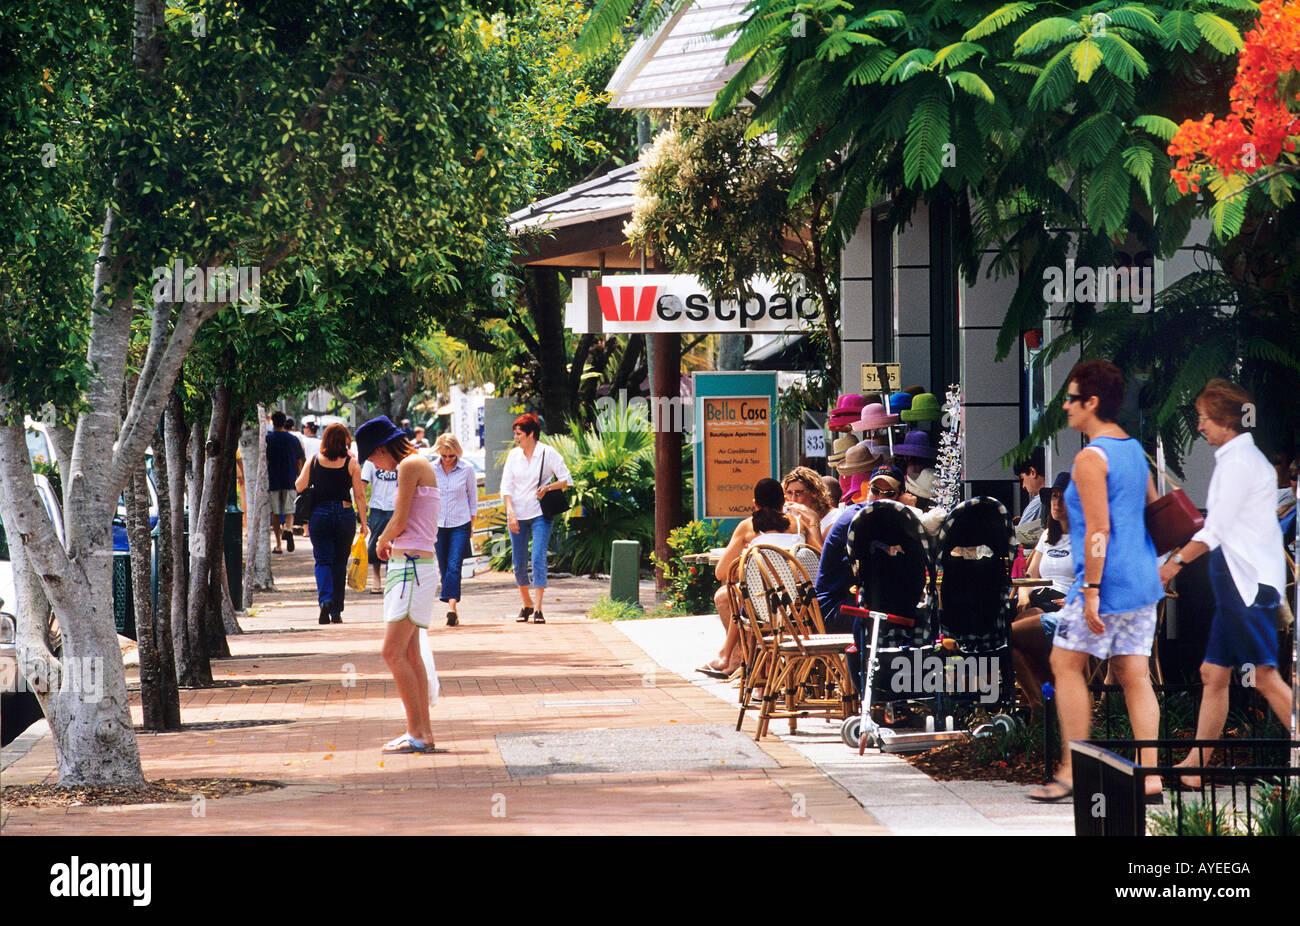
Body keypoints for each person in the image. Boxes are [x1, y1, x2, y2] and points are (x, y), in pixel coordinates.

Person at [1030, 360, 1164, 803]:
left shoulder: (1091, 457)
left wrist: (1090, 591)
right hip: (1142, 580)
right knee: (1133, 674)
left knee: (1065, 665)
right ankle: (1151, 778)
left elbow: (1099, 529)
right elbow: (1152, 507)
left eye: (1071, 398)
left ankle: (1072, 770)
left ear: (1092, 402)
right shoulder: (1133, 450)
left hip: (1103, 583)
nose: (1065, 406)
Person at [1157, 379, 1294, 788]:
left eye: (1203, 419)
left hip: (1246, 588)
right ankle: (1195, 768)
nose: (1199, 427)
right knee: (1212, 673)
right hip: (1241, 586)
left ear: (1224, 421)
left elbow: (1215, 530)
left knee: (1266, 677)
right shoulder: (1239, 460)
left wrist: (1174, 564)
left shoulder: (1238, 464)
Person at [358, 416, 442, 755]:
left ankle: (418, 732)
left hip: (412, 568)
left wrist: (379, 540)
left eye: (372, 458)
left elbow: (400, 518)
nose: (375, 466)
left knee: (392, 651)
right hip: (412, 565)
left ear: (380, 449)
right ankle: (421, 731)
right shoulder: (415, 463)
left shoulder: (409, 465)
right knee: (409, 652)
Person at [697, 478, 815, 678]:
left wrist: (747, 559)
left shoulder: (748, 527)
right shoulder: (798, 525)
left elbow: (721, 572)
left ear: (755, 504)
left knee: (737, 593)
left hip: (762, 609)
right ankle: (736, 659)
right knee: (741, 593)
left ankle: (735, 659)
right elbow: (815, 557)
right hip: (799, 606)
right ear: (783, 501)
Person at [500, 412, 571, 625]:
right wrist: (510, 513)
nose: (516, 438)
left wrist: (548, 487)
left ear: (531, 434)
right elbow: (506, 487)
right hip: (517, 515)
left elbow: (567, 479)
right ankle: (526, 603)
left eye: (519, 433)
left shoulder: (547, 453)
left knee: (538, 558)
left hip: (540, 513)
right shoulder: (513, 456)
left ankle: (539, 608)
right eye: (515, 434)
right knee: (518, 563)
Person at [1010, 472, 1073, 708]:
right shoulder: (1048, 535)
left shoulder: (1088, 537)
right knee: (1008, 630)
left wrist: (1077, 599)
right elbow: (1030, 575)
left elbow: (1094, 577)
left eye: (1063, 498)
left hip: (1064, 603)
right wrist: (1024, 594)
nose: (1057, 503)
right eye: (1054, 497)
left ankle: (1042, 703)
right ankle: (1040, 700)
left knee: (1013, 635)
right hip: (1038, 597)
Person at [296, 422, 368, 624]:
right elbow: (360, 496)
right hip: (344, 514)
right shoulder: (351, 463)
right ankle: (336, 610)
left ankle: (325, 601)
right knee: (339, 563)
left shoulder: (314, 461)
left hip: (319, 514)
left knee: (322, 561)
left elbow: (299, 485)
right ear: (346, 440)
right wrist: (363, 522)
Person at [431, 433, 477, 626]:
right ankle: (454, 609)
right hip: (438, 524)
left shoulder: (467, 469)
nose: (448, 460)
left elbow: (472, 499)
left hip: (461, 522)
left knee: (454, 564)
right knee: (443, 566)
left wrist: (472, 526)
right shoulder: (431, 469)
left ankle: (450, 607)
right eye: (444, 456)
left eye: (451, 456)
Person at [361, 447, 400, 594]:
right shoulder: (371, 461)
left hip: (396, 507)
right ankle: (376, 577)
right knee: (375, 544)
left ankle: (392, 577)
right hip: (377, 507)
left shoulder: (398, 460)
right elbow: (363, 484)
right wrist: (362, 504)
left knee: (395, 544)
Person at [266, 410, 305, 553]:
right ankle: (288, 529)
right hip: (289, 479)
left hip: (273, 480)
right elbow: (299, 461)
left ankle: (278, 545)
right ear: (284, 423)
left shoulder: (268, 439)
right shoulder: (293, 439)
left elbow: (266, 461)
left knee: (275, 513)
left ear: (272, 422)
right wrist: (299, 477)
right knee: (289, 510)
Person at [780, 466, 829, 547]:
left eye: (799, 493)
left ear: (814, 493)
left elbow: (819, 555)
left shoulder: (831, 518)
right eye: (789, 493)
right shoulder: (785, 514)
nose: (793, 498)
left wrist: (814, 519)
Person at [1013, 447, 1047, 547]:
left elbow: (1020, 540)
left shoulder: (1039, 502)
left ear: (1032, 472)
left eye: (1023, 478)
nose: (1023, 485)